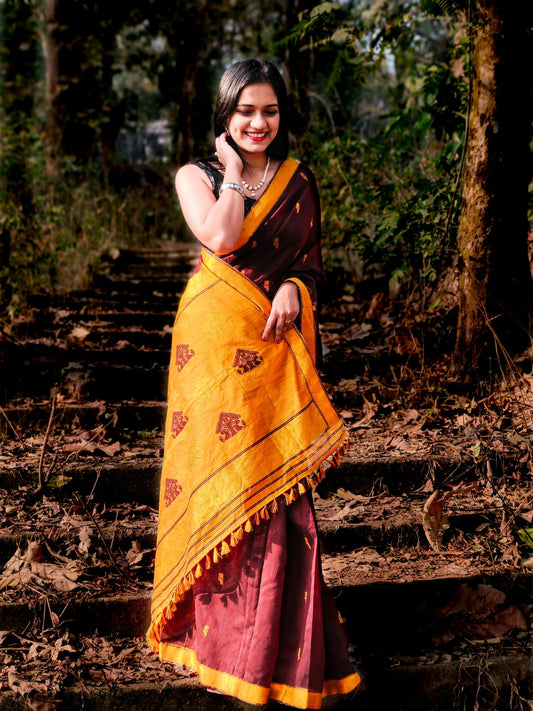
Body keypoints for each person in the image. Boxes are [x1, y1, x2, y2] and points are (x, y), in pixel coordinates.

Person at [148, 58, 360, 709]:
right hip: (214, 349)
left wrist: (296, 287)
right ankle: (214, 644)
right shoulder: (196, 175)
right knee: (224, 489)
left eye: (269, 111)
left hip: (275, 349)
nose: (258, 122)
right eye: (245, 111)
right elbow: (220, 233)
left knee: (281, 496)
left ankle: (275, 652)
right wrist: (235, 175)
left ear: (281, 115)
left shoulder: (300, 181)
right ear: (225, 114)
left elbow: (312, 267)